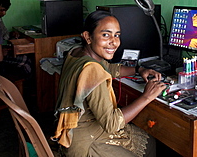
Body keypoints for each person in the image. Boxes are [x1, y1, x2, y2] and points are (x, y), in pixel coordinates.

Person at [53, 10, 166, 157]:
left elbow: (109, 67)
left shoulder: (76, 52)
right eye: (106, 35)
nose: (114, 42)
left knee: (149, 141)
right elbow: (112, 124)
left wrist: (139, 69)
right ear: (88, 36)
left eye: (117, 35)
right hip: (85, 144)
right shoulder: (93, 70)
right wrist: (147, 97)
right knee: (149, 143)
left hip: (72, 131)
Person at [0, 0, 32, 77]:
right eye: (2, 10)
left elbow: (3, 35)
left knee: (27, 54)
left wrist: (11, 34)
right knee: (26, 61)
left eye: (5, 10)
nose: (4, 13)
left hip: (1, 50)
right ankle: (18, 84)